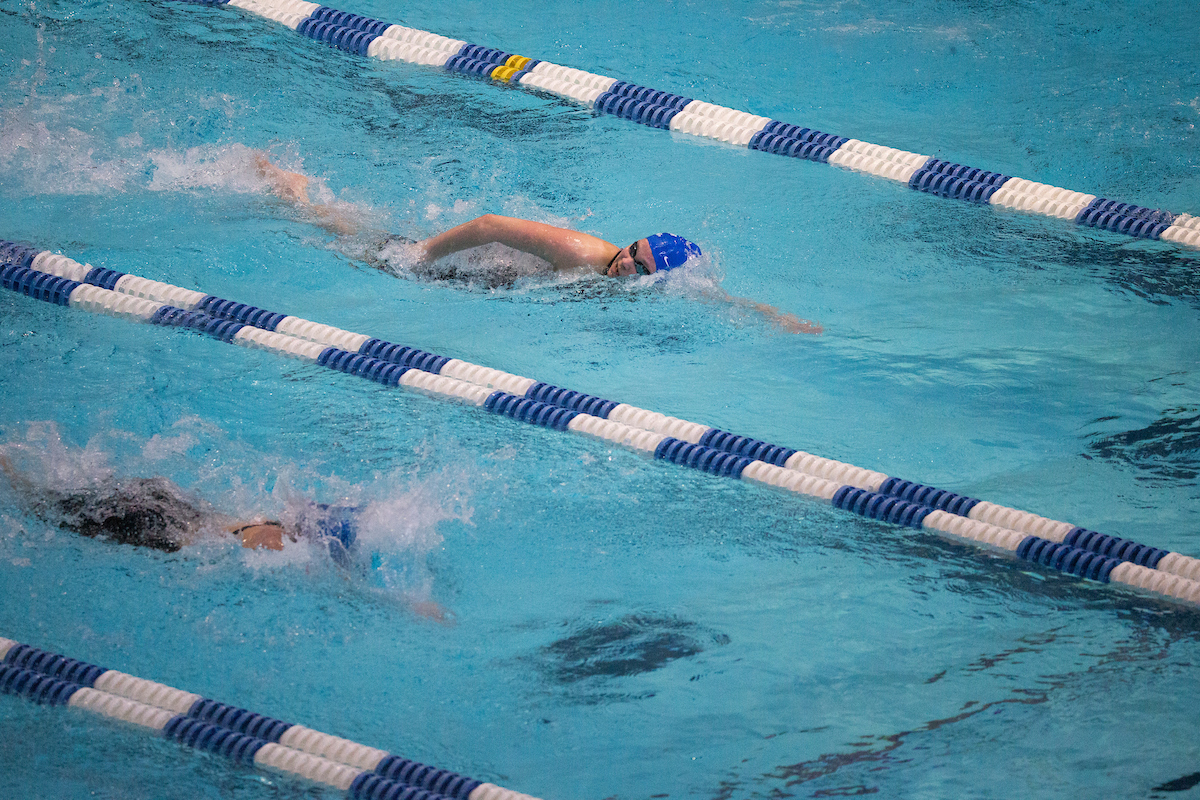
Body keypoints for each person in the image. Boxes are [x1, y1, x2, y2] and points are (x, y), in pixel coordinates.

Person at [253, 154, 822, 334]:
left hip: (480, 281)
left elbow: (705, 296)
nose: (623, 262)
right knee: (342, 236)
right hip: (451, 266)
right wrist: (423, 255)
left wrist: (771, 316)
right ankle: (290, 192)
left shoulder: (645, 286)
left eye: (638, 265)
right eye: (629, 250)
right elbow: (490, 223)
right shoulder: (583, 255)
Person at [0, 454, 450, 622]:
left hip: (167, 505)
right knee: (40, 506)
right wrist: (406, 606)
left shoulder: (277, 524)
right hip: (156, 524)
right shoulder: (273, 542)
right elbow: (343, 593)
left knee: (50, 496)